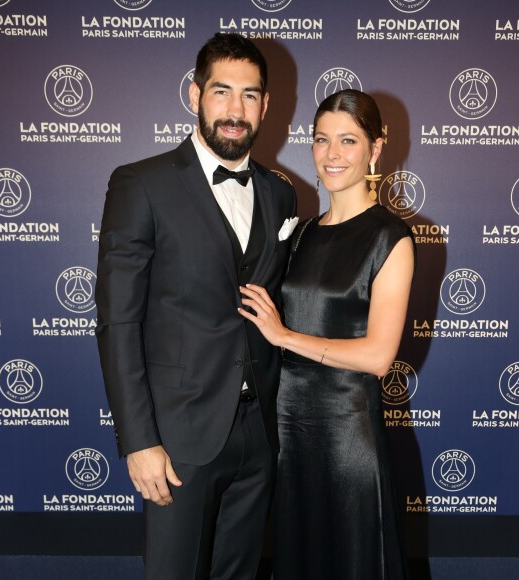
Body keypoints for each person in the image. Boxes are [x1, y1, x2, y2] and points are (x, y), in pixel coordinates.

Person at [95, 32, 297, 580]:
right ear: (194, 94)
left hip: (258, 433)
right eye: (222, 92)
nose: (236, 110)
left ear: (266, 105)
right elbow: (118, 323)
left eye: (250, 95)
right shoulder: (142, 183)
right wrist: (139, 442)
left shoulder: (282, 195)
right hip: (179, 438)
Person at [239, 89, 414, 579]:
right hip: (290, 435)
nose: (332, 155)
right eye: (321, 140)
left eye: (348, 141)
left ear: (376, 148)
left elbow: (379, 356)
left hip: (348, 439)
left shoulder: (390, 239)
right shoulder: (301, 234)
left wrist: (285, 337)